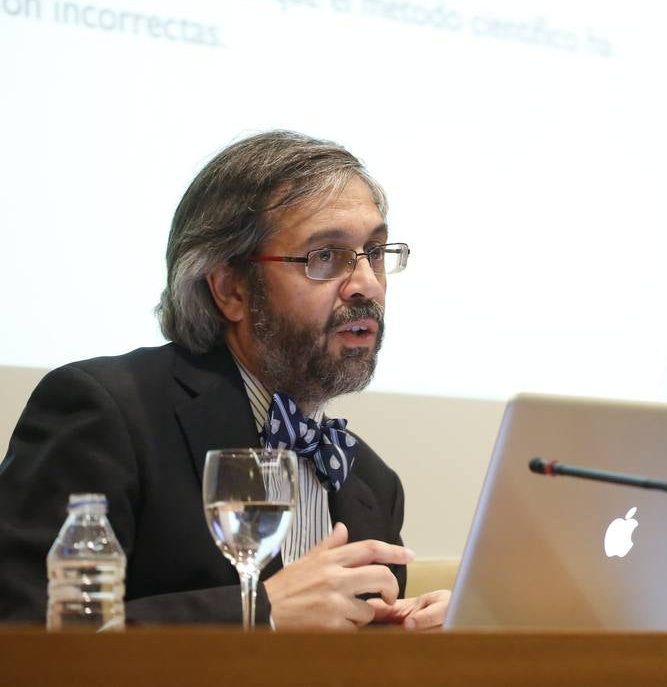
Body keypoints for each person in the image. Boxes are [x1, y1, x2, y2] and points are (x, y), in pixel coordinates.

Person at [0, 130, 448, 629]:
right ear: (230, 288)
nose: (367, 283)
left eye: (376, 252)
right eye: (325, 256)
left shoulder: (370, 480)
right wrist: (258, 615)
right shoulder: (107, 413)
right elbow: (22, 630)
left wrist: (409, 640)